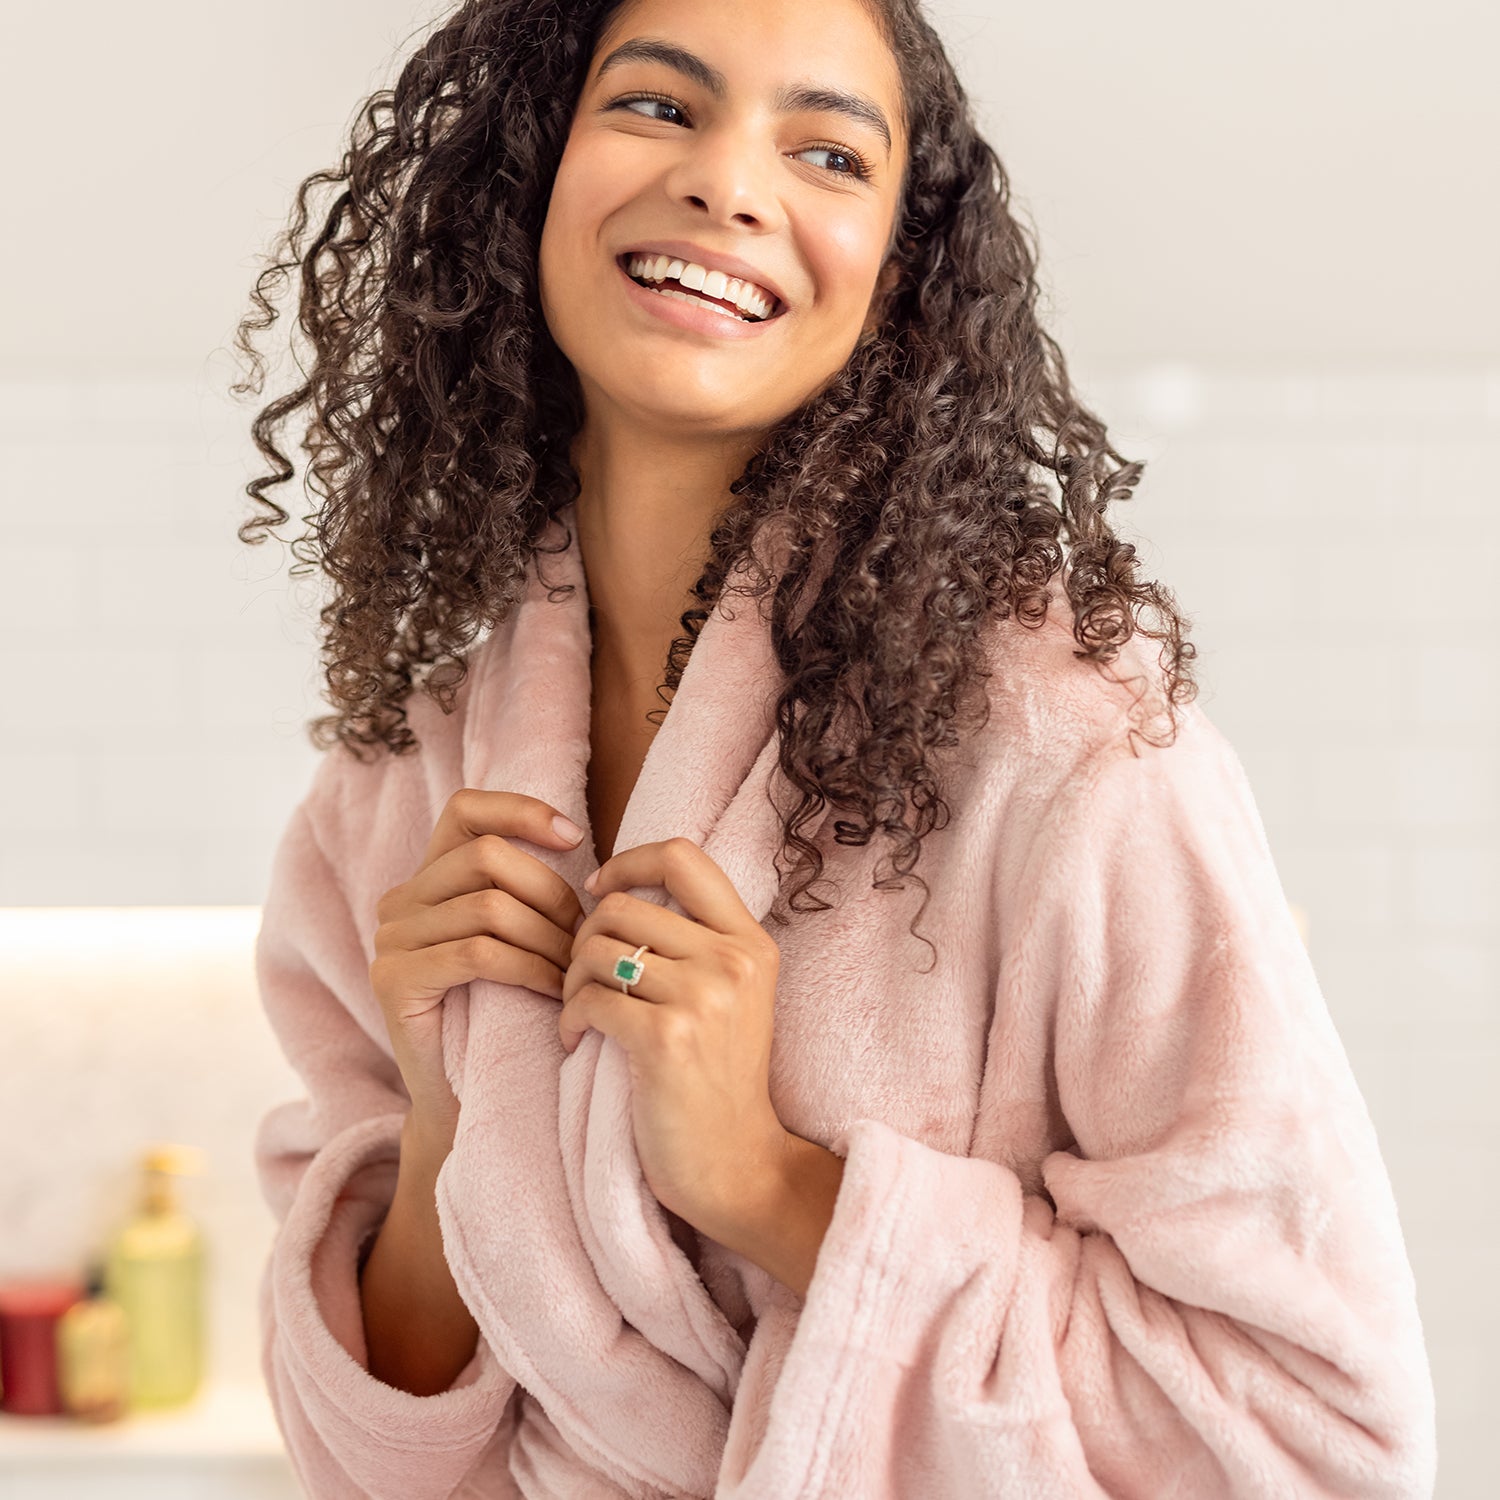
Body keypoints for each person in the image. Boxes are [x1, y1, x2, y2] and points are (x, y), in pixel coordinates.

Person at [235, 0, 1438, 1495]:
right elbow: (370, 1457)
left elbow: (1320, 1434)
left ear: (899, 275)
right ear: (530, 174)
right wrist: (437, 1122)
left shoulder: (1071, 747)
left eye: (827, 151)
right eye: (660, 109)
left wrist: (760, 1178)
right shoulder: (388, 799)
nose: (730, 184)